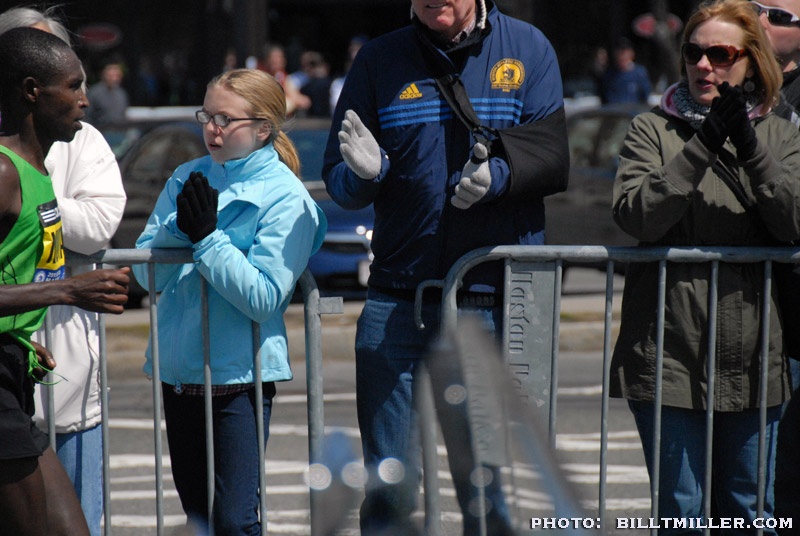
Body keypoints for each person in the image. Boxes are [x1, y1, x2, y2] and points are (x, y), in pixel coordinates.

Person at [322, 0, 569, 533]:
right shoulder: (377, 60)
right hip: (395, 301)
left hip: (489, 301)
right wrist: (365, 175)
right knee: (387, 486)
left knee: (487, 489)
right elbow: (338, 180)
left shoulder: (528, 48)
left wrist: (497, 178)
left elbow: (551, 156)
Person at [610, 0, 800, 530]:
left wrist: (748, 144)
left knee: (747, 514)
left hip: (756, 356)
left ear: (750, 61)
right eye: (694, 52)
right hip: (667, 355)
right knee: (681, 514)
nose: (703, 66)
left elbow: (794, 221)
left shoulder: (784, 134)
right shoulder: (652, 128)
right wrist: (704, 144)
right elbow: (637, 215)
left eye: (720, 54)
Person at [133, 68, 326, 535]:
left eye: (226, 119)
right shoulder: (187, 174)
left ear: (263, 128)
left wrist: (207, 239)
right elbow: (144, 272)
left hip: (238, 379)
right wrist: (179, 228)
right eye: (207, 115)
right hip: (180, 372)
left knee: (235, 522)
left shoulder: (287, 196)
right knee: (199, 520)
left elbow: (264, 297)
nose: (212, 129)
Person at [0, 8, 127, 536]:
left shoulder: (39, 169)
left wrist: (24, 337)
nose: (85, 99)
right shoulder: (3, 172)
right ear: (32, 91)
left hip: (13, 372)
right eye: (72, 86)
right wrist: (69, 290)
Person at [752, 0, 800, 526]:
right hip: (744, 313)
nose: (762, 21)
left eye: (780, 15)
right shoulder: (719, 80)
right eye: (755, 8)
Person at [599, 36, 652, 104]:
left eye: (624, 52)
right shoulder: (608, 74)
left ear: (632, 53)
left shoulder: (640, 73)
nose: (622, 55)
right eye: (619, 52)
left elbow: (645, 96)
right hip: (614, 112)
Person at [85, 60, 129, 127]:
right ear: (104, 75)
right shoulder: (94, 93)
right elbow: (87, 116)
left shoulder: (121, 93)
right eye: (111, 75)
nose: (114, 79)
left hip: (119, 132)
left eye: (117, 76)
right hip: (101, 131)